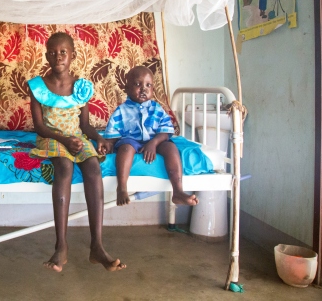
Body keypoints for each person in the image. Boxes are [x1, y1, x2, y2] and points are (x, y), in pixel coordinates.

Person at [28, 32, 125, 273]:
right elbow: (39, 126)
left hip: (76, 137)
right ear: (46, 56)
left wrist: (99, 138)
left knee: (93, 168)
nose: (58, 56)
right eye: (52, 52)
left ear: (73, 55)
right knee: (64, 167)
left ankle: (97, 246)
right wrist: (64, 140)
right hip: (51, 137)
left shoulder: (81, 87)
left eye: (63, 52)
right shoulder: (38, 86)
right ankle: (61, 245)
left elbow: (85, 125)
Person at [104, 66, 199, 207]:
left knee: (170, 148)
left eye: (148, 85)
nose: (144, 89)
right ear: (126, 88)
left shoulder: (157, 108)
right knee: (125, 149)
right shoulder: (121, 110)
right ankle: (122, 188)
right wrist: (108, 144)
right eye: (138, 84)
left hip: (155, 140)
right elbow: (112, 134)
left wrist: (153, 143)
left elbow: (166, 131)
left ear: (153, 89)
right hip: (130, 140)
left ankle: (178, 191)